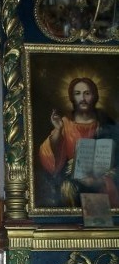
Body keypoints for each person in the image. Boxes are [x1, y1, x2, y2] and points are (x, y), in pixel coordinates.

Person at [39, 77, 119, 207]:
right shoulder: (64, 123)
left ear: (94, 96)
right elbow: (48, 157)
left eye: (87, 93)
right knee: (67, 189)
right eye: (77, 93)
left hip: (101, 178)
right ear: (71, 97)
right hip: (72, 180)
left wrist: (100, 180)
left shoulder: (106, 124)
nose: (82, 98)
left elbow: (116, 158)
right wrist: (58, 130)